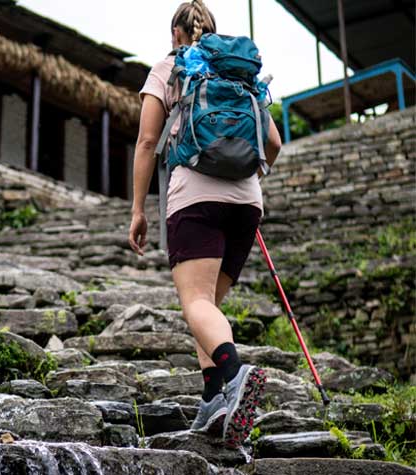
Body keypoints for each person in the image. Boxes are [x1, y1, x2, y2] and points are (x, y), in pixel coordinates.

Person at [128, 0, 282, 445]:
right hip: (246, 201)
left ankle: (234, 377)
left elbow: (147, 142)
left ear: (176, 33)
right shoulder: (241, 76)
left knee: (195, 303)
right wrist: (247, 172)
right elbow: (272, 142)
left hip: (195, 194)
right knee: (209, 306)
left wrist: (138, 209)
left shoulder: (170, 67)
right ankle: (213, 398)